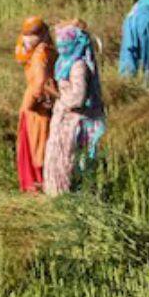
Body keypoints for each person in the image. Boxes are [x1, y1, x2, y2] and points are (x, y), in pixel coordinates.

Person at [44, 23, 107, 197]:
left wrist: (55, 93)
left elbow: (78, 98)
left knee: (69, 162)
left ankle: (68, 198)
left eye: (64, 44)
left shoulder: (78, 66)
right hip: (63, 119)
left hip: (74, 123)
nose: (61, 47)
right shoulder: (64, 62)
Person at [14, 16, 57, 193]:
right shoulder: (46, 49)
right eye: (25, 35)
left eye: (31, 35)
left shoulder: (40, 54)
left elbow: (39, 82)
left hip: (36, 109)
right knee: (40, 142)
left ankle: (36, 186)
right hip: (43, 105)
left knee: (36, 145)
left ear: (40, 35)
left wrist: (31, 103)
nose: (26, 39)